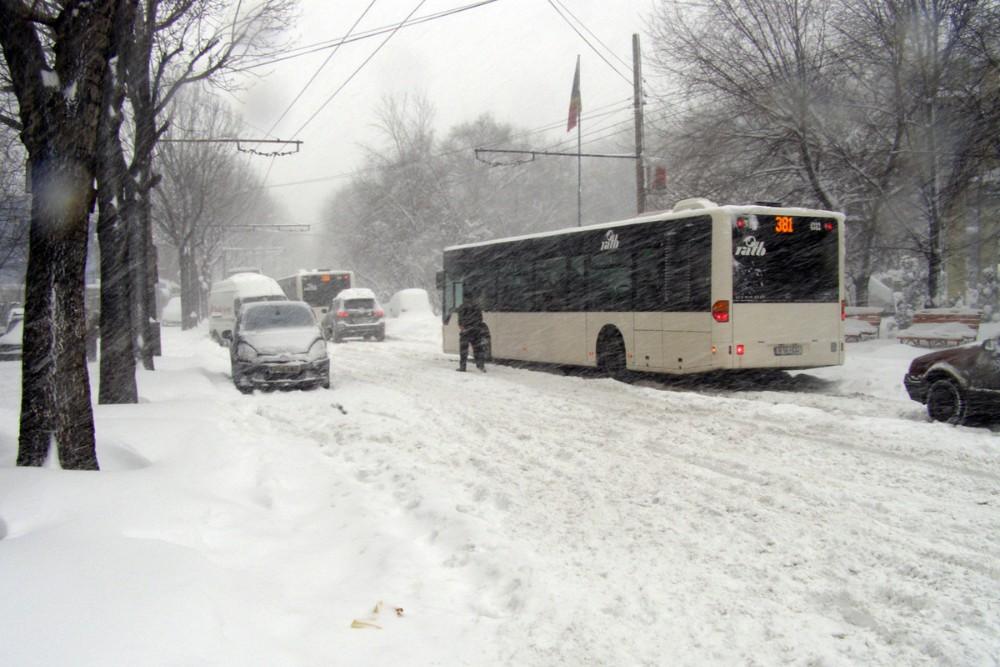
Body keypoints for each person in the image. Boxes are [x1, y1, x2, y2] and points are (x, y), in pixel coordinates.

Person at [455, 296, 486, 372]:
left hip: (466, 331)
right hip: (476, 331)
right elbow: (481, 319)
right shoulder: (477, 307)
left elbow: (460, 321)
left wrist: (463, 328)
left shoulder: (462, 307)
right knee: (478, 349)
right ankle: (481, 366)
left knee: (463, 350)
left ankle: (463, 367)